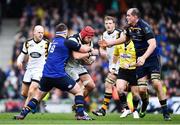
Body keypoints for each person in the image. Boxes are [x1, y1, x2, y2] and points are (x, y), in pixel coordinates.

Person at [14, 23, 98, 120]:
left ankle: (22, 114)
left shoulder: (53, 42)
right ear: (65, 33)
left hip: (46, 75)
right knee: (79, 91)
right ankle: (80, 114)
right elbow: (83, 49)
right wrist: (92, 51)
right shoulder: (67, 42)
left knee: (37, 96)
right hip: (58, 75)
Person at [99, 8, 171, 121]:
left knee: (156, 83)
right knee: (142, 90)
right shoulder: (129, 27)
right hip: (140, 59)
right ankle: (145, 104)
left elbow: (153, 44)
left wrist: (143, 57)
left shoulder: (144, 27)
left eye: (128, 15)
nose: (126, 17)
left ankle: (165, 112)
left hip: (151, 58)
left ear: (135, 16)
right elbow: (124, 38)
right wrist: (109, 43)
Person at [92, 16, 127, 116]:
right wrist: (102, 52)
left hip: (123, 63)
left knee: (125, 88)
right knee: (109, 85)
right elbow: (102, 48)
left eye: (110, 23)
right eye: (106, 23)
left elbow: (125, 43)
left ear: (114, 24)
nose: (108, 25)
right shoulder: (103, 35)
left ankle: (127, 108)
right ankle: (105, 109)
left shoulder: (120, 33)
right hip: (112, 64)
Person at [16, 25, 50, 110]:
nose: (41, 34)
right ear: (34, 32)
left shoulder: (47, 44)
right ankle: (36, 102)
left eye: (42, 33)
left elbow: (55, 53)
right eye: (39, 32)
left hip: (39, 70)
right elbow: (22, 55)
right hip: (29, 69)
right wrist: (19, 61)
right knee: (24, 93)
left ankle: (24, 112)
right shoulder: (27, 43)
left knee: (32, 90)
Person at [65, 26, 97, 100]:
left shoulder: (89, 42)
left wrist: (89, 61)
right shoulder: (73, 39)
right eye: (88, 37)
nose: (90, 40)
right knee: (80, 87)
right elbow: (76, 56)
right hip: (69, 66)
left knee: (91, 86)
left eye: (91, 37)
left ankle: (77, 105)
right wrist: (90, 54)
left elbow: (82, 60)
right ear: (83, 35)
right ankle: (80, 108)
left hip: (78, 66)